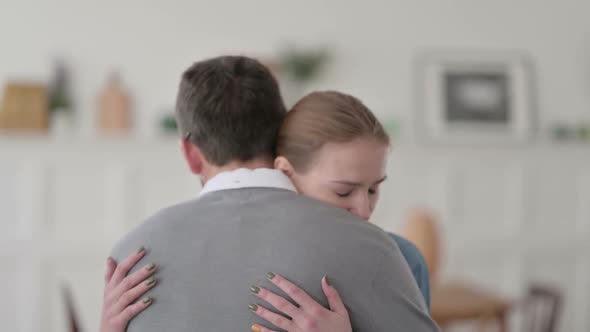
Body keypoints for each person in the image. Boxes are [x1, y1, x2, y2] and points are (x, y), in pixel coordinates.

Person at [101, 56, 438, 332]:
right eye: (345, 191)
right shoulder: (378, 251)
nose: (362, 210)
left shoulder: (129, 258)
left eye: (373, 190)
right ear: (279, 136)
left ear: (189, 152)